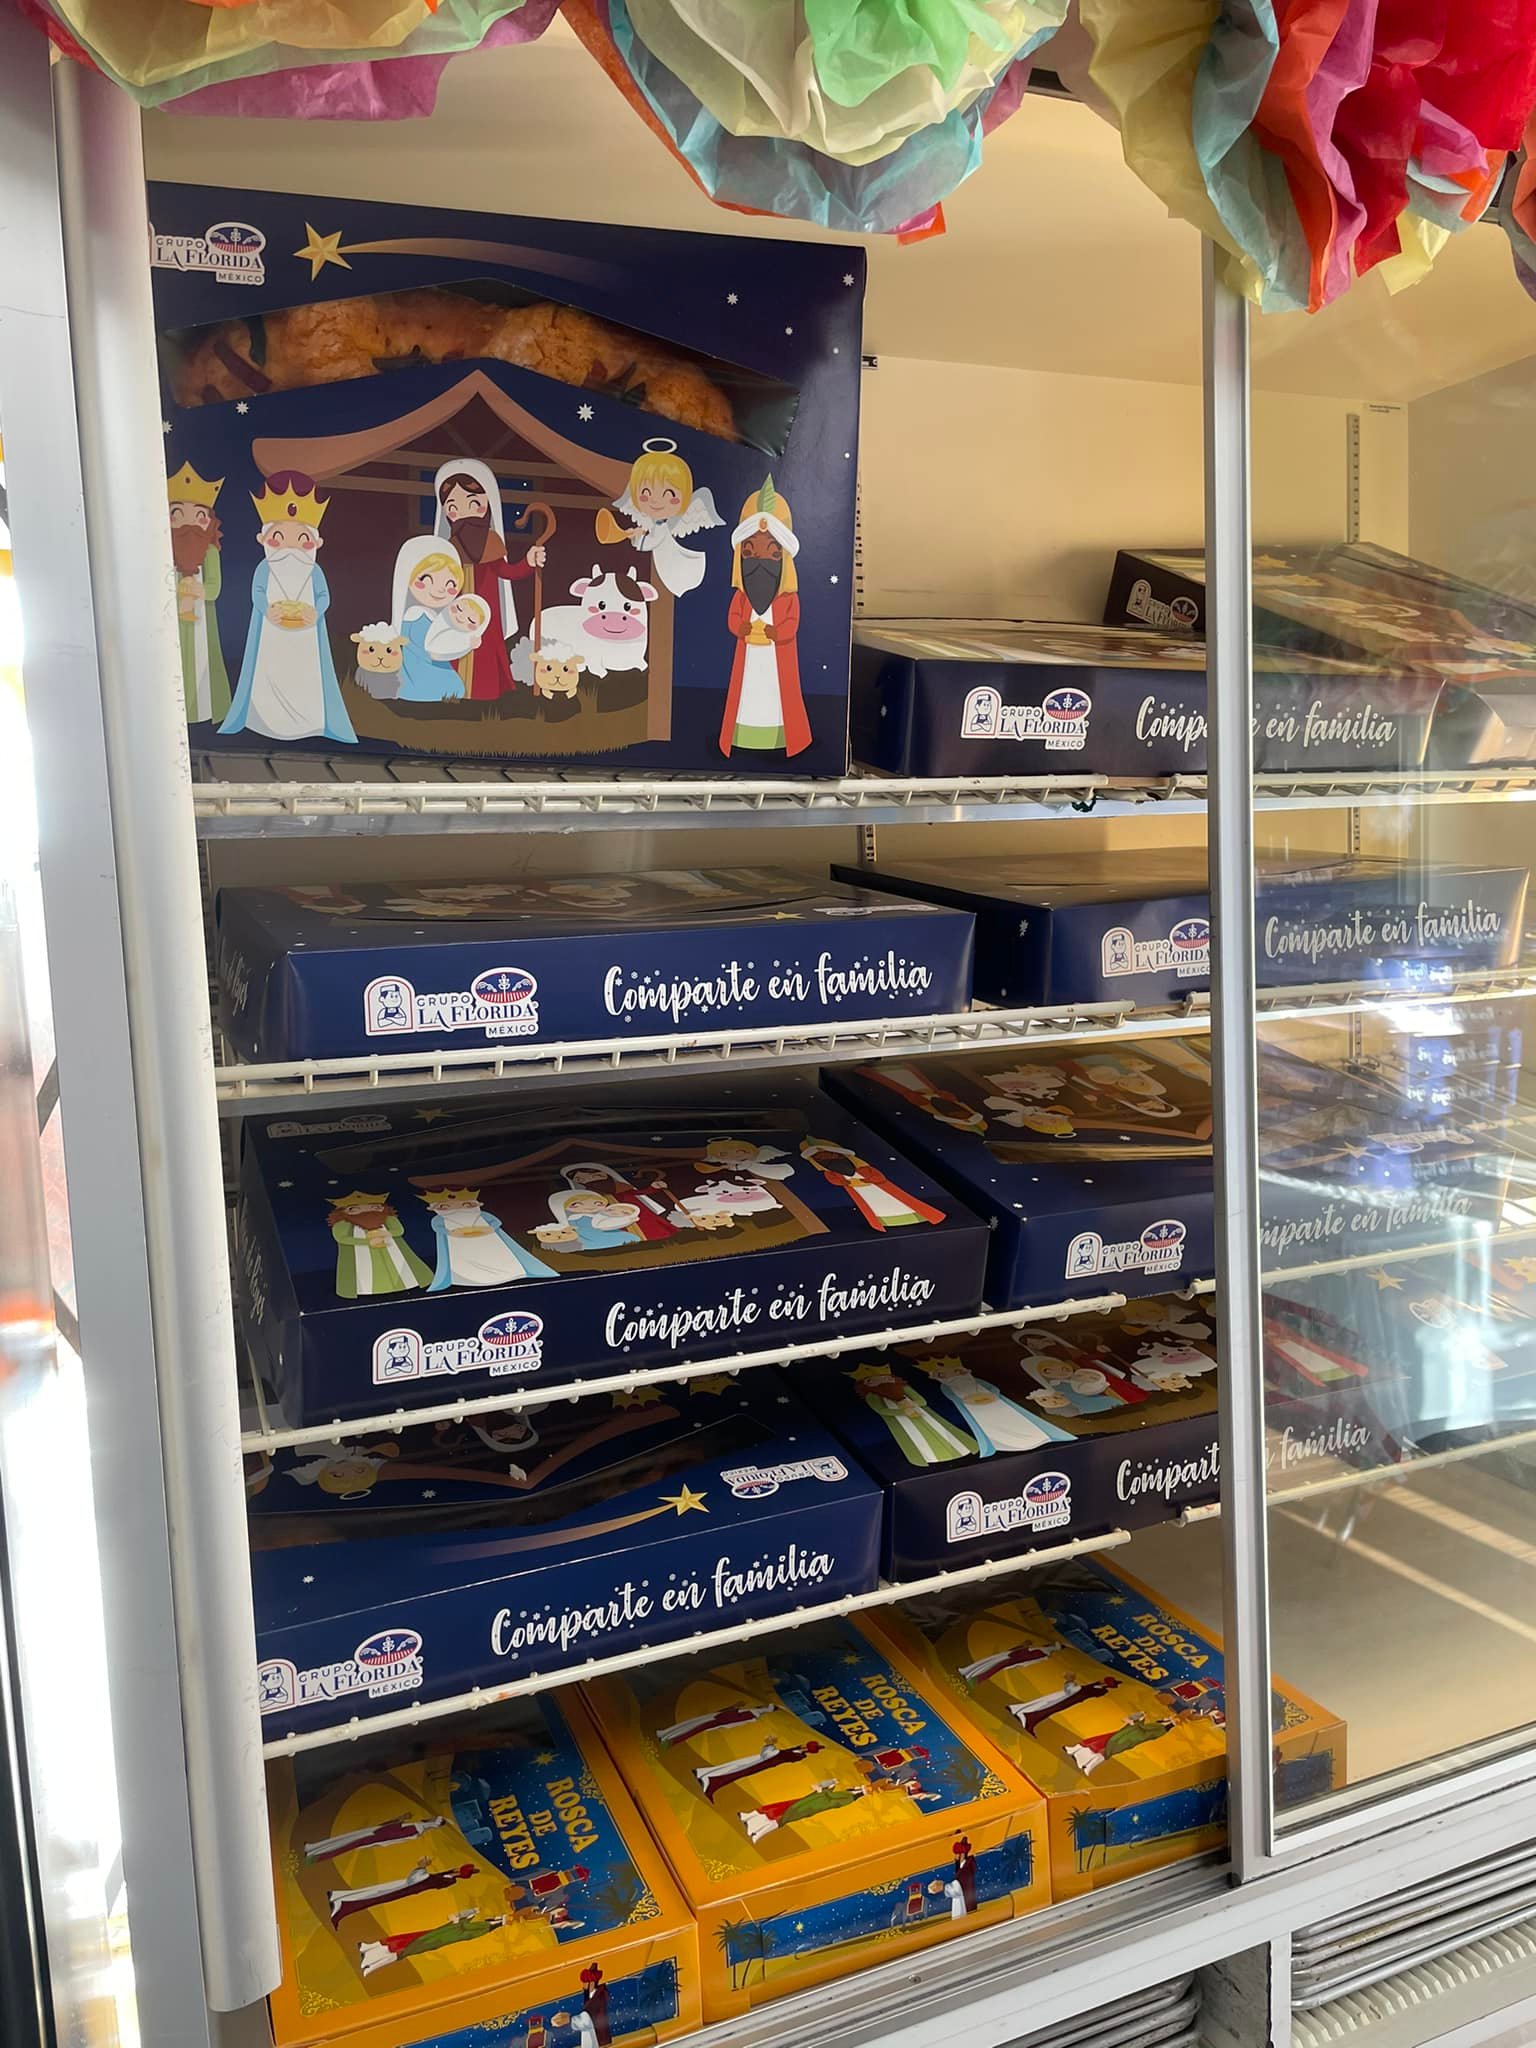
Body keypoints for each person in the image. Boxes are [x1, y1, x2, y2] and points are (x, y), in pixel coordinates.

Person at [220, 472, 355, 743]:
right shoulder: (265, 567)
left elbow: (323, 596)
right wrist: (267, 610)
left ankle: (307, 722)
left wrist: (315, 612)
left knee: (304, 675)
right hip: (272, 634)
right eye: (279, 537)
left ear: (316, 542)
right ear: (263, 538)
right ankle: (265, 720)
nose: (290, 545)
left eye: (302, 537)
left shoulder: (314, 570)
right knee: (270, 672)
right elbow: (257, 592)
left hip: (306, 635)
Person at [433, 460, 546, 700]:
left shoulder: (491, 540)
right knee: (454, 642)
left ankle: (484, 695)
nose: (461, 511)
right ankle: (454, 692)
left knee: (484, 648)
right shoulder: (448, 545)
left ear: (486, 503)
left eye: (472, 502)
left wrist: (528, 561)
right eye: (452, 506)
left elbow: (507, 572)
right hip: (456, 607)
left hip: (486, 609)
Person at [720, 476, 811, 756]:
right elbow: (733, 617)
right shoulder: (742, 596)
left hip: (776, 660)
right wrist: (741, 628)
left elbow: (792, 623)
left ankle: (779, 737)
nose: (759, 562)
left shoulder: (788, 598)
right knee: (746, 694)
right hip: (749, 658)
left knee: (778, 697)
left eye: (772, 553)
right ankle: (743, 734)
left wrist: (776, 633)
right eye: (749, 552)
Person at [599, 439, 722, 596]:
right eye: (645, 494)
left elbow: (653, 541)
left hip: (676, 563)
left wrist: (638, 538)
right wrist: (636, 536)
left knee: (678, 585)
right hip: (666, 561)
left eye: (669, 494)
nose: (656, 501)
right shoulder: (655, 523)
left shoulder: (662, 525)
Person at [168, 461, 231, 724]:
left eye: (198, 515)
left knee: (201, 662)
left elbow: (215, 588)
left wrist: (198, 589)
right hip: (169, 620)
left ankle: (198, 712)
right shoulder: (163, 549)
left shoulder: (210, 552)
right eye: (178, 513)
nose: (189, 523)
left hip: (202, 620)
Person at [388, 537, 474, 702]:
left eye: (450, 585)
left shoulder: (432, 615)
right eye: (427, 581)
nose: (440, 590)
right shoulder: (416, 616)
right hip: (420, 667)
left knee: (456, 686)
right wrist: (463, 647)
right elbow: (428, 649)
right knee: (453, 687)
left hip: (430, 665)